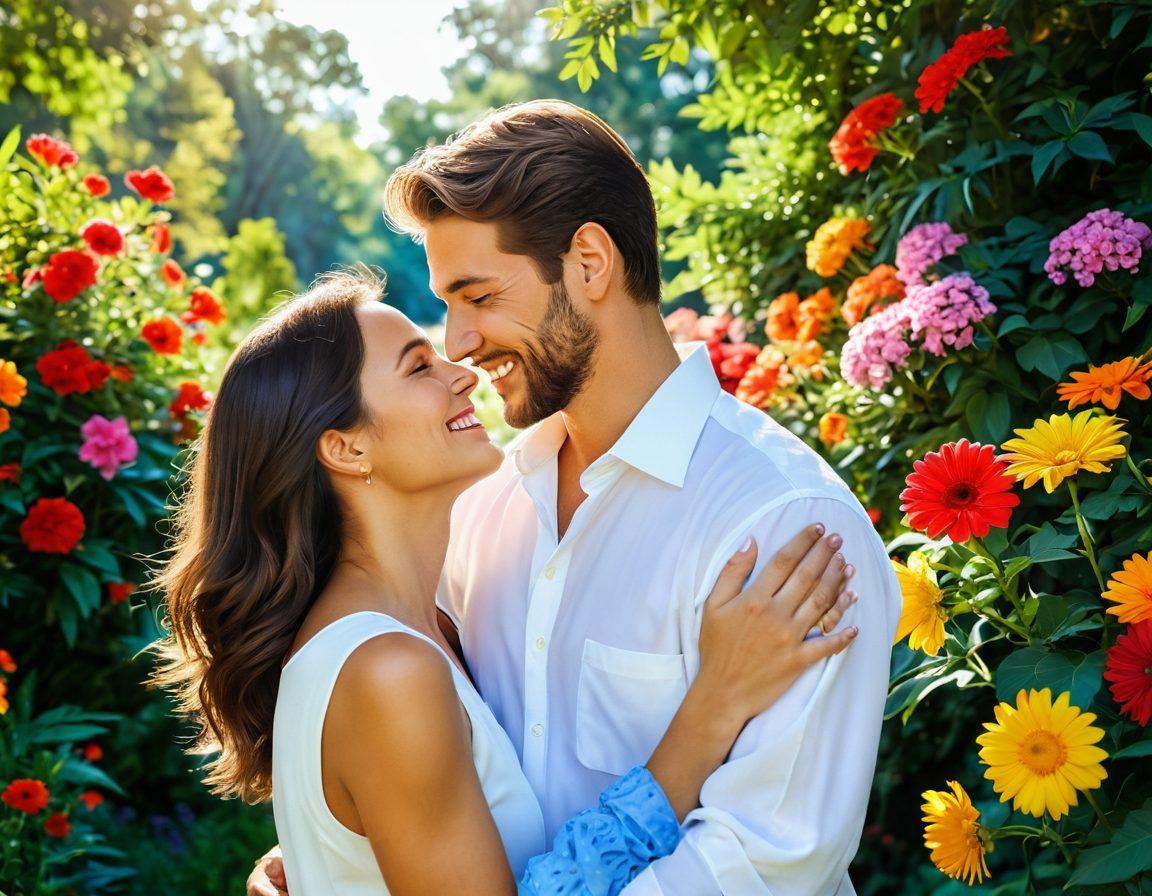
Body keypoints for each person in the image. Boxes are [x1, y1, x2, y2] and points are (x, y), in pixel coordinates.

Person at [250, 99, 902, 895]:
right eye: (447, 306)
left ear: (589, 262)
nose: (458, 341)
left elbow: (768, 863)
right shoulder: (479, 509)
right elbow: (431, 766)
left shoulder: (782, 524)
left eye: (479, 296)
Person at [153, 271, 860, 895]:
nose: (459, 368)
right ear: (346, 447)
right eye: (417, 366)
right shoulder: (387, 670)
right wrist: (711, 711)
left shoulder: (432, 622)